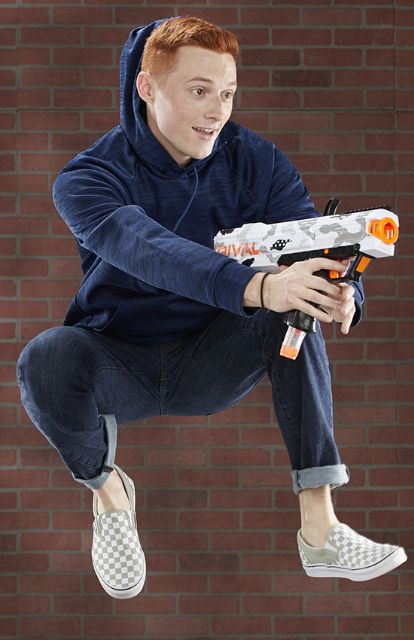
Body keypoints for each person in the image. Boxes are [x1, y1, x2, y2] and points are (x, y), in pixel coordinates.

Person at [16, 16, 406, 600]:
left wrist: (340, 289)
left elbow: (312, 239)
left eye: (227, 93)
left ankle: (320, 527)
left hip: (212, 358)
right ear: (147, 87)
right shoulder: (87, 177)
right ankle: (110, 495)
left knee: (296, 306)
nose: (217, 111)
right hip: (118, 363)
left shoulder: (258, 162)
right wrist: (258, 287)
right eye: (199, 91)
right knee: (45, 358)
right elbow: (147, 249)